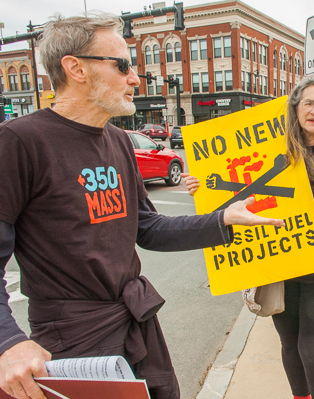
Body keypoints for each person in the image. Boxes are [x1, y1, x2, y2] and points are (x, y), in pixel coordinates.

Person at [0, 14, 283, 399]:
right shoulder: (19, 142)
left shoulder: (118, 141)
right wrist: (9, 343)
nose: (136, 78)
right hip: (73, 340)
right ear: (75, 68)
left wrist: (222, 221)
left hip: (135, 321)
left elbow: (147, 228)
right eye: (122, 65)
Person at [184, 75, 314, 399]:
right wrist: (202, 188)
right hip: (279, 272)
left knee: (312, 349)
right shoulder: (271, 153)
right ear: (294, 108)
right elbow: (229, 196)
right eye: (308, 102)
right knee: (289, 345)